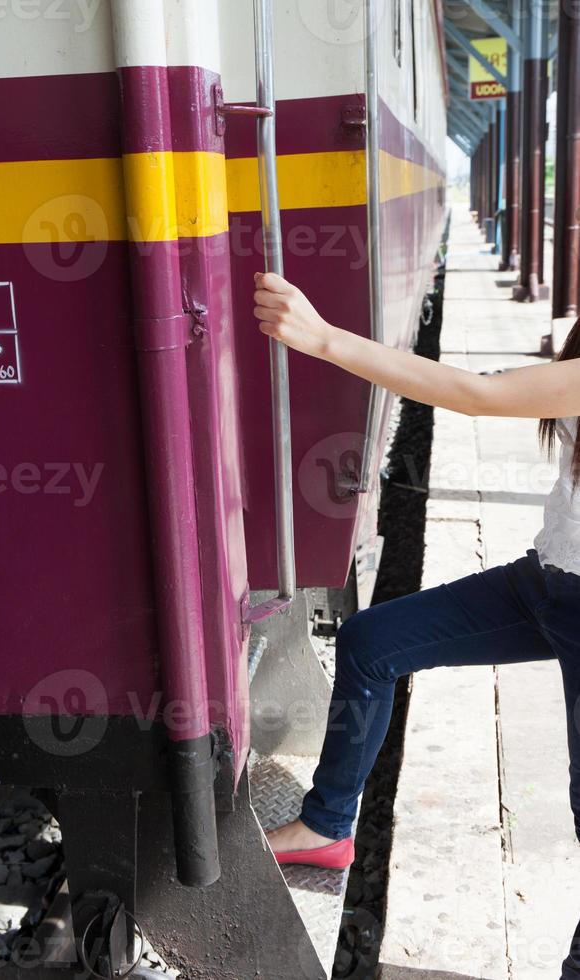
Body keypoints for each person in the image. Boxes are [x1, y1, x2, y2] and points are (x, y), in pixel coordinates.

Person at [253, 270, 580, 974]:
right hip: (549, 581)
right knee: (373, 642)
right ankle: (326, 826)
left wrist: (323, 338)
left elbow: (475, 395)